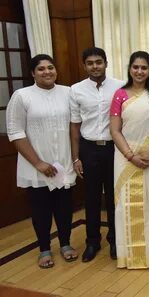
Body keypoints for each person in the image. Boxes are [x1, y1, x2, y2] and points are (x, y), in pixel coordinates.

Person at [6, 54, 78, 268]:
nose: (47, 72)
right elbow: (15, 130)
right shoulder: (22, 96)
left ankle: (65, 244)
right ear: (32, 73)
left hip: (63, 163)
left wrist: (74, 158)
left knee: (65, 208)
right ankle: (44, 249)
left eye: (50, 67)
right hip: (35, 166)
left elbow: (74, 127)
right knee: (41, 210)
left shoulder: (68, 92)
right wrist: (38, 163)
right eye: (41, 69)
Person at [109, 51, 149, 269]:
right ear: (129, 69)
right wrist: (130, 155)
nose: (139, 71)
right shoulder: (119, 95)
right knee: (127, 205)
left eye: (144, 68)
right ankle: (134, 255)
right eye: (135, 67)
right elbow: (115, 130)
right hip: (126, 157)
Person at [70, 47, 124, 262]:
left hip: (113, 148)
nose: (95, 66)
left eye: (99, 62)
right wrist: (76, 157)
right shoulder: (76, 90)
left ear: (106, 63)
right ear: (85, 65)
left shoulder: (120, 86)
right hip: (89, 148)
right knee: (91, 198)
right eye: (90, 63)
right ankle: (92, 242)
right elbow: (74, 126)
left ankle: (114, 241)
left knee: (113, 198)